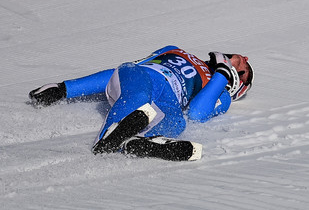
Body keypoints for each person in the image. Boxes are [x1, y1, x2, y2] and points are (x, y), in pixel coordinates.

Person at [29, 45, 254, 161]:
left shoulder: (221, 95)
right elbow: (123, 71)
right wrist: (65, 89)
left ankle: (136, 142)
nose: (242, 57)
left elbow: (196, 112)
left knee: (178, 123)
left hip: (167, 101)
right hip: (140, 78)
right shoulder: (176, 50)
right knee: (138, 94)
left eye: (244, 67)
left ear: (238, 85)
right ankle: (108, 140)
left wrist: (222, 74)